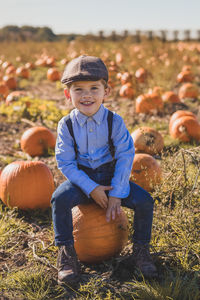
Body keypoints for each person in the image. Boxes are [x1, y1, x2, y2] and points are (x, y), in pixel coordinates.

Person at [51, 55, 157, 286]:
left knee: (145, 201)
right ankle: (67, 255)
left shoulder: (115, 122)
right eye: (78, 90)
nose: (86, 95)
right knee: (59, 198)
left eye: (93, 88)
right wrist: (92, 189)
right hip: (82, 180)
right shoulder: (66, 125)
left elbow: (125, 156)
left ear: (106, 92)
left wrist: (117, 193)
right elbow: (66, 163)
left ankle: (141, 250)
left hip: (112, 178)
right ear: (68, 94)